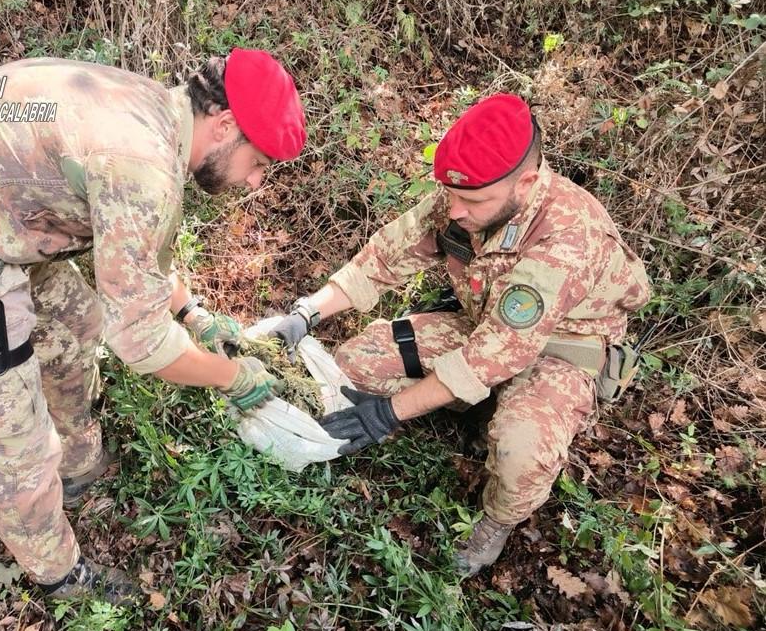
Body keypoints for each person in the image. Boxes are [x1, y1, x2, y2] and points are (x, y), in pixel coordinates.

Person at [0, 48, 306, 602]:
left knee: (79, 324)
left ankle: (80, 460)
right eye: (260, 163)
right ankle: (58, 575)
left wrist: (194, 316)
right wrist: (231, 377)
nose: (256, 182)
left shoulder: (152, 109)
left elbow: (142, 257)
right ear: (224, 127)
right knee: (15, 448)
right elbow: (140, 342)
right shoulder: (141, 164)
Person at [269, 93, 650, 577]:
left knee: (519, 451)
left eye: (470, 201)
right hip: (482, 329)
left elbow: (495, 355)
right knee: (355, 362)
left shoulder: (569, 236)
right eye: (450, 195)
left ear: (526, 182)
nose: (454, 211)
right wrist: (305, 313)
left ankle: (498, 520)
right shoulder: (465, 199)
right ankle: (476, 406)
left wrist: (388, 413)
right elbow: (384, 258)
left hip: (559, 354)